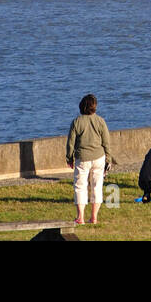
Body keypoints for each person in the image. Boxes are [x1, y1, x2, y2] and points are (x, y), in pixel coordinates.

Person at [65, 93, 112, 224]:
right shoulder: (100, 121)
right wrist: (108, 158)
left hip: (82, 158)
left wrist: (69, 158)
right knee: (97, 186)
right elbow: (106, 142)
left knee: (80, 186)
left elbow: (70, 143)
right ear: (94, 107)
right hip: (99, 157)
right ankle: (94, 217)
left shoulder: (76, 122)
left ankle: (80, 217)